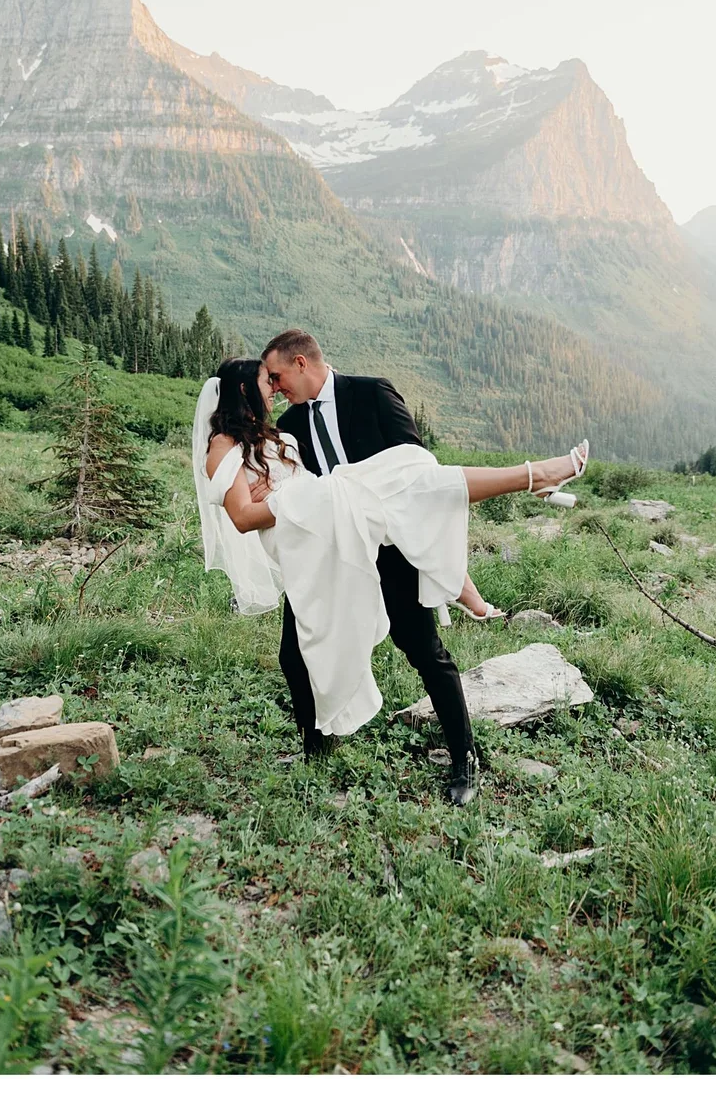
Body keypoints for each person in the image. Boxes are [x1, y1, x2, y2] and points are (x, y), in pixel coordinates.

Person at [193, 340, 588, 806]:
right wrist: (276, 497)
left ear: (301, 363)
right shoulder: (286, 427)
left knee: (423, 648)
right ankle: (316, 751)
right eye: (267, 383)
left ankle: (465, 759)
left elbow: (416, 472)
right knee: (294, 656)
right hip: (325, 551)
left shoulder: (371, 394)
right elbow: (256, 504)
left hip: (390, 543)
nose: (275, 390)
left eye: (277, 378)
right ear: (247, 389)